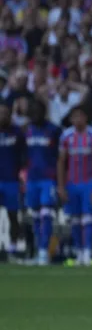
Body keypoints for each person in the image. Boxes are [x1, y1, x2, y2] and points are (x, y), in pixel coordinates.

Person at [57, 107, 92, 266]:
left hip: (88, 183)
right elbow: (61, 162)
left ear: (86, 118)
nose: (78, 120)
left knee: (88, 219)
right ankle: (79, 252)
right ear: (71, 119)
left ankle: (87, 252)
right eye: (74, 117)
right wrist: (61, 186)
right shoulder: (66, 136)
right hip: (72, 183)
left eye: (80, 116)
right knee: (75, 219)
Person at [23, 100, 60, 265]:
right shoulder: (26, 130)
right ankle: (39, 251)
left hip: (48, 179)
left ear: (44, 112)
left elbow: (60, 156)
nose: (35, 113)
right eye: (33, 111)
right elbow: (23, 154)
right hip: (32, 179)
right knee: (36, 215)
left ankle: (44, 251)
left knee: (46, 214)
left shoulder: (54, 130)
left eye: (38, 110)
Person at [0, 106, 25, 260]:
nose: (2, 116)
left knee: (13, 215)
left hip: (11, 180)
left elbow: (24, 155)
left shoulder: (17, 133)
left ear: (10, 115)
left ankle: (13, 247)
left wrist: (22, 173)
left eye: (5, 113)